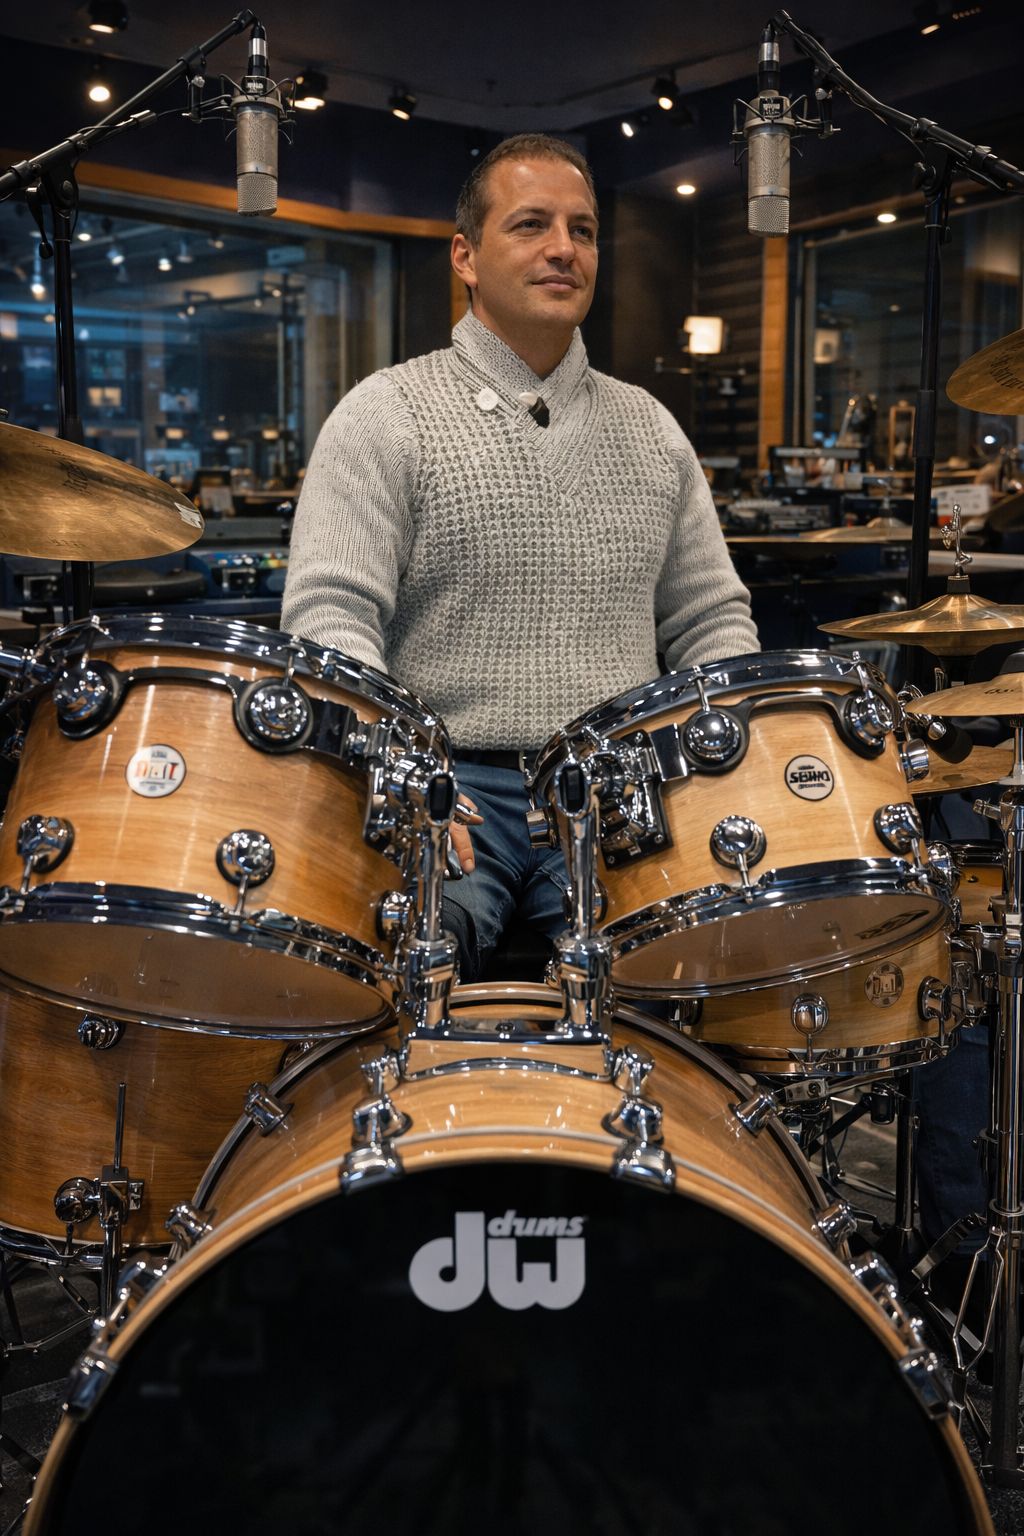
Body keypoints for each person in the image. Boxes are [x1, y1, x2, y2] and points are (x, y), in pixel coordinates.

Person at [282, 133, 758, 980]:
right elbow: (330, 617)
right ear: (465, 256)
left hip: (620, 786)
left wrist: (717, 761)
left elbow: (710, 618)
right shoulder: (387, 413)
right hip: (447, 779)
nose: (563, 249)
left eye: (583, 229)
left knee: (705, 970)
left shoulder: (651, 427)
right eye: (531, 224)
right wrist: (401, 771)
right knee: (403, 970)